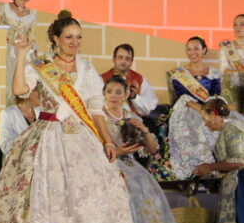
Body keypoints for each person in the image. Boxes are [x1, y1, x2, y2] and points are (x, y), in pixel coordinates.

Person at [0, 10, 145, 223]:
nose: (74, 41)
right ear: (56, 39)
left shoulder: (87, 68)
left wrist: (107, 141)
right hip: (48, 136)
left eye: (78, 37)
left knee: (88, 201)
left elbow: (95, 109)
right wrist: (22, 55)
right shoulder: (42, 64)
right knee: (50, 200)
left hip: (82, 139)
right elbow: (19, 91)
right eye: (69, 36)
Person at [102, 76, 191, 223]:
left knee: (148, 203)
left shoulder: (132, 117)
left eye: (118, 92)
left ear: (126, 94)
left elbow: (152, 150)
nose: (114, 96)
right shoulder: (98, 117)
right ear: (104, 93)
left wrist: (144, 131)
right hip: (106, 166)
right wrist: (118, 152)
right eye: (110, 91)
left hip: (132, 168)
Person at [192, 97, 244, 223]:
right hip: (235, 182)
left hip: (240, 186)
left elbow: (238, 161)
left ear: (214, 115)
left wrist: (209, 167)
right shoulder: (232, 127)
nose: (206, 125)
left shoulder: (231, 128)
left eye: (206, 119)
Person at [165, 36, 222, 180]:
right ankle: (188, 171)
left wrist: (208, 111)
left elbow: (216, 96)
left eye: (196, 48)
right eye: (189, 49)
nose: (192, 52)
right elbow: (182, 98)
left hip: (208, 111)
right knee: (188, 126)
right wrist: (201, 110)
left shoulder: (214, 74)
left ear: (204, 50)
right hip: (186, 111)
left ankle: (207, 169)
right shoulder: (179, 75)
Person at [0, 0, 37, 106]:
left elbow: (32, 36)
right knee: (5, 81)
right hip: (6, 51)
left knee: (24, 80)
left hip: (24, 52)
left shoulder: (33, 13)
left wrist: (34, 55)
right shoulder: (3, 8)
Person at [101, 43, 159, 117]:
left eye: (127, 58)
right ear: (114, 59)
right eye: (120, 57)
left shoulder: (139, 79)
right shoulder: (102, 79)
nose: (123, 61)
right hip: (109, 121)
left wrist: (134, 97)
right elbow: (96, 106)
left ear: (131, 61)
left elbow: (148, 109)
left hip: (133, 123)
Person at [0, 90, 40, 155]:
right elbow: (5, 147)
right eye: (36, 90)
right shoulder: (7, 114)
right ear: (27, 94)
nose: (41, 93)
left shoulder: (42, 110)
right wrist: (28, 140)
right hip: (19, 162)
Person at [220, 14, 244, 112]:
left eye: (242, 24)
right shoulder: (226, 47)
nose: (238, 27)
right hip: (234, 87)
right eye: (235, 25)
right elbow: (224, 69)